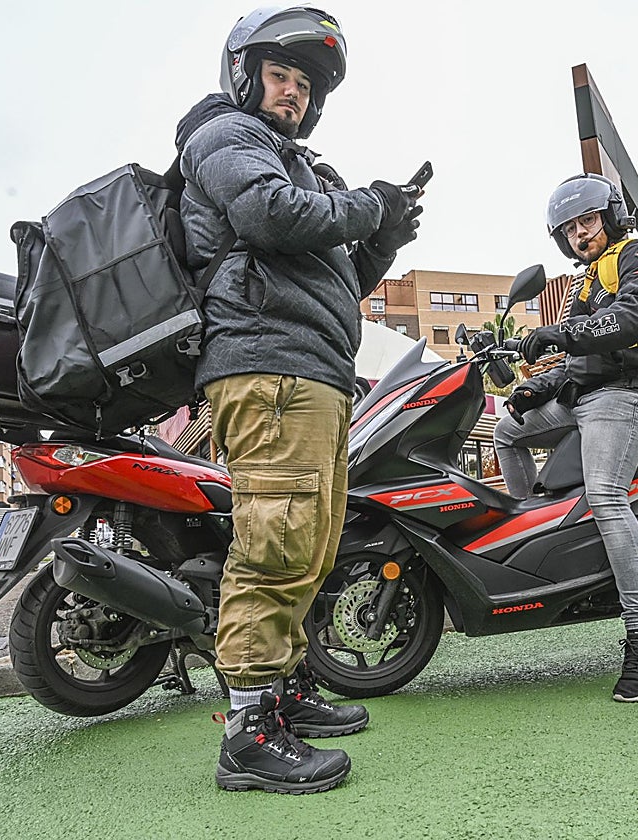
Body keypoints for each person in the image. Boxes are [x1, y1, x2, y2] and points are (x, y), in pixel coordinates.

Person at [174, 6, 423, 793]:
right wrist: (368, 206)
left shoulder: (292, 158)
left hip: (308, 368)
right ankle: (248, 738)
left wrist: (383, 235)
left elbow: (334, 276)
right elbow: (268, 215)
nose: (292, 92)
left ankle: (279, 695)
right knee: (275, 545)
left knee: (308, 543)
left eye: (304, 85)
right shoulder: (225, 137)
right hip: (267, 366)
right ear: (246, 75)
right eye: (280, 75)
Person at [493, 173, 638, 703]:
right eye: (570, 229)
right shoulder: (582, 285)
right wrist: (540, 387)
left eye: (588, 221)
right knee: (506, 433)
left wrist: (556, 335)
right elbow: (581, 359)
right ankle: (529, 532)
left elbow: (632, 320)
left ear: (609, 217)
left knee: (604, 494)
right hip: (592, 394)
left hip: (637, 392)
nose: (580, 234)